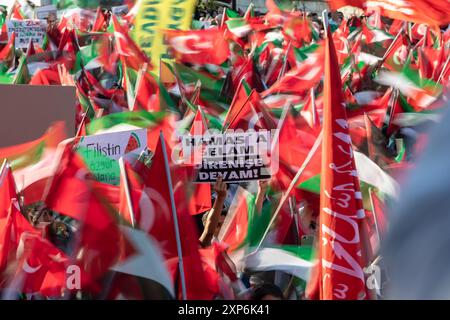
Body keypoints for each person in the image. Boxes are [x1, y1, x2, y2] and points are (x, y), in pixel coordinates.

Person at [199, 176, 228, 248]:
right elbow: (209, 233)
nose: (222, 229)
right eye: (217, 225)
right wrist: (220, 197)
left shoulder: (237, 242)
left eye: (225, 225)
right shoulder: (207, 245)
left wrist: (260, 192)